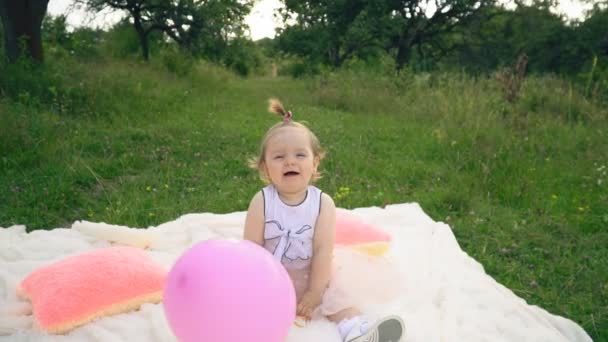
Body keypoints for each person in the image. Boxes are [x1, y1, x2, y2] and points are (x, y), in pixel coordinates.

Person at [243, 99, 405, 342]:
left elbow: (322, 250)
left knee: (337, 299)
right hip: (273, 278)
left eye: (300, 155)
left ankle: (358, 331)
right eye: (279, 157)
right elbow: (251, 252)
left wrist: (315, 292)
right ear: (265, 168)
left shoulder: (322, 204)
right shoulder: (262, 202)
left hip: (313, 273)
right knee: (252, 308)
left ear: (315, 162)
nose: (290, 161)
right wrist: (263, 288)